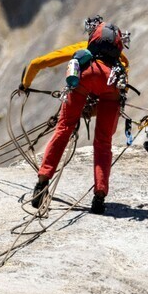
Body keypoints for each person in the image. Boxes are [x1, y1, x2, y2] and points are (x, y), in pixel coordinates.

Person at [20, 16, 130, 215]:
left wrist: (25, 85)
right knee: (103, 142)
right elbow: (119, 92)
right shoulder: (121, 60)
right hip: (111, 85)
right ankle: (99, 196)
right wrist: (93, 110)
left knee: (64, 128)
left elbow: (38, 63)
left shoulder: (83, 48)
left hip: (85, 79)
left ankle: (42, 183)